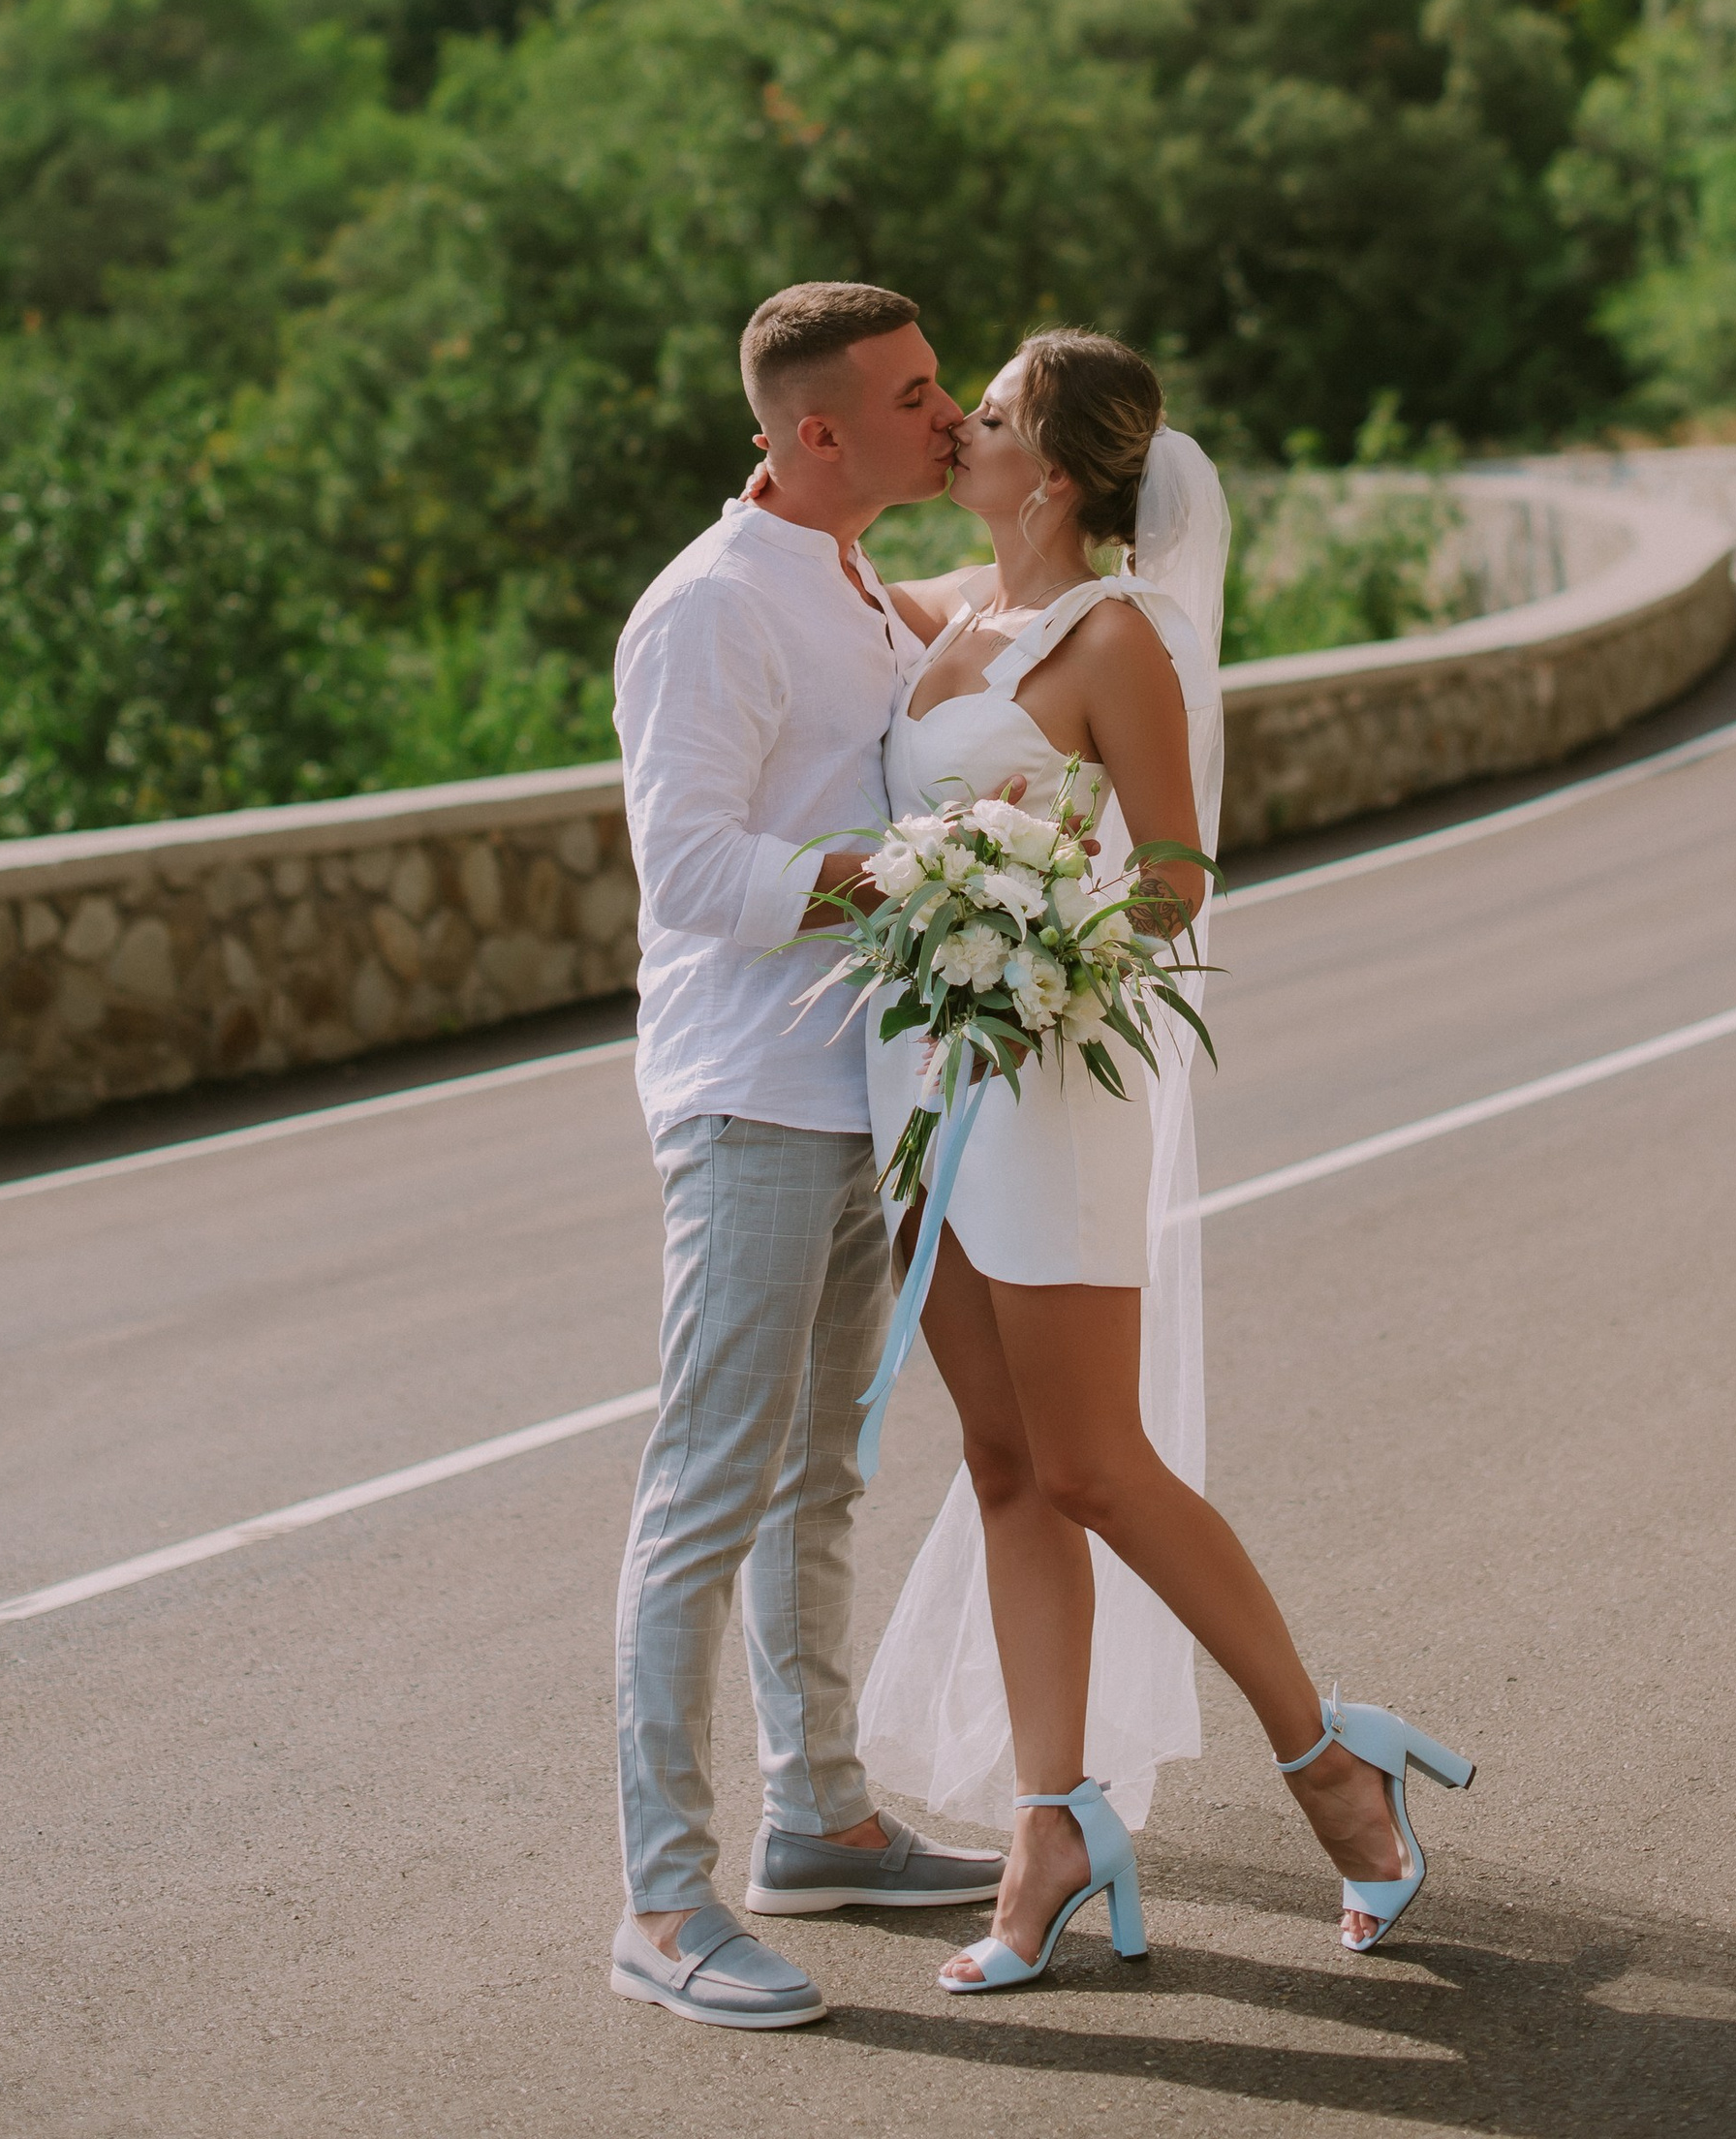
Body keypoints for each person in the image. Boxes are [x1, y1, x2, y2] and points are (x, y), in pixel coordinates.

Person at [856, 328, 1474, 1990]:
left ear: (1051, 474)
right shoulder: (945, 613)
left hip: (1049, 1069)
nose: (960, 433)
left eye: (982, 416)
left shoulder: (1112, 639)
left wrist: (1019, 945)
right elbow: (819, 569)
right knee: (999, 1464)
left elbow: (1180, 876)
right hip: (922, 1076)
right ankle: (1052, 1825)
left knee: (1094, 1462)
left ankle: (1327, 1764)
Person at [606, 281, 1008, 2032]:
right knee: (706, 1494)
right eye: (918, 397)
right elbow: (687, 870)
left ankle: (820, 1817)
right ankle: (661, 1904)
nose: (950, 415)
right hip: (748, 1096)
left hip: (864, 1092)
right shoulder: (705, 611)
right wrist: (916, 882)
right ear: (813, 429)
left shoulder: (846, 574)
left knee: (814, 1480)